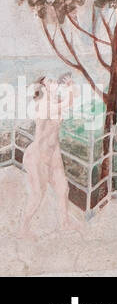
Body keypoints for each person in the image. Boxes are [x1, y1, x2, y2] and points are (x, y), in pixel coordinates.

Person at [18, 75, 80, 238]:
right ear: (44, 88)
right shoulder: (44, 105)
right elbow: (68, 103)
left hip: (53, 154)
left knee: (63, 189)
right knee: (38, 194)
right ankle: (23, 228)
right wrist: (71, 88)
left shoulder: (54, 103)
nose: (54, 82)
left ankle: (64, 223)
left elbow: (69, 103)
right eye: (50, 82)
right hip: (37, 156)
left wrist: (71, 88)